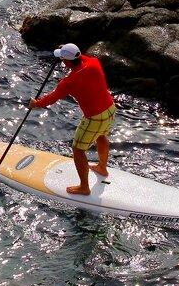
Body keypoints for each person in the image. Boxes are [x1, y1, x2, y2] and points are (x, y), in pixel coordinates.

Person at [28, 43, 117, 195]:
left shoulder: (69, 82)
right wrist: (68, 50)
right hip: (110, 109)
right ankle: (102, 167)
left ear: (66, 62)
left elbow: (52, 98)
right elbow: (80, 57)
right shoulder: (93, 62)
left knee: (78, 149)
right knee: (101, 135)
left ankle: (84, 187)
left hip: (94, 117)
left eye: (63, 59)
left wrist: (37, 104)